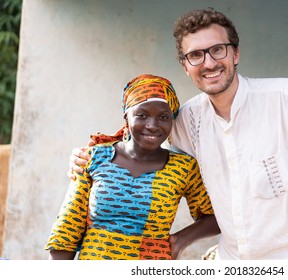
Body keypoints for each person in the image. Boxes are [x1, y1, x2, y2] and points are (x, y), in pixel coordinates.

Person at [69, 8, 288, 259]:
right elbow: (139, 137)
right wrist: (85, 156)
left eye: (218, 50)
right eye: (195, 55)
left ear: (235, 53)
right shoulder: (188, 119)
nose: (209, 63)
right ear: (185, 66)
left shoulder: (284, 98)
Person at [46, 74, 220, 260]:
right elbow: (67, 230)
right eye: (142, 115)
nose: (152, 125)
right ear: (126, 117)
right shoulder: (94, 157)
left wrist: (180, 240)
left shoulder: (183, 168)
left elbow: (215, 217)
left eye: (163, 116)